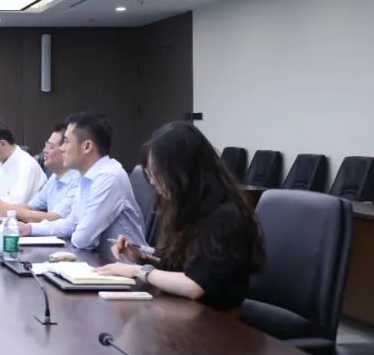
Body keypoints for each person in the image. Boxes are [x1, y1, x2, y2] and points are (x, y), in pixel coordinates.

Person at [95, 122, 265, 309]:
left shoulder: (226, 216)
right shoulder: (189, 207)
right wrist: (141, 258)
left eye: (157, 173)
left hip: (217, 318)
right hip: (187, 310)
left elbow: (194, 285)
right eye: (150, 173)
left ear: (184, 172)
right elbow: (182, 265)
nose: (153, 182)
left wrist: (138, 271)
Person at [19, 112, 145, 260]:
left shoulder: (109, 177)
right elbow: (71, 223)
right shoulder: (85, 176)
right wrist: (30, 228)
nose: (61, 148)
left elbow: (83, 239)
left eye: (66, 142)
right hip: (97, 261)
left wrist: (73, 230)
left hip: (123, 268)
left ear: (87, 146)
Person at [0, 119, 46, 214]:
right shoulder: (4, 162)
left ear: (3, 144)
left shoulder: (26, 165)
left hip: (23, 220)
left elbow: (13, 204)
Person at [9, 124, 79, 223]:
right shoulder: (54, 177)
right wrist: (2, 208)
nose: (44, 151)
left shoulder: (78, 180)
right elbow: (30, 206)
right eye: (46, 145)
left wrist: (9, 211)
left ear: (65, 149)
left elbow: (56, 218)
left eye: (50, 147)